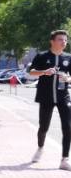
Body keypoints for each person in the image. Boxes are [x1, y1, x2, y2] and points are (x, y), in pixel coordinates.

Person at [28, 30, 71, 170]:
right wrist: (44, 72)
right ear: (52, 41)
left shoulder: (68, 57)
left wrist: (68, 78)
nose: (64, 42)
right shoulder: (42, 56)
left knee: (68, 127)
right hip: (46, 96)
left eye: (65, 40)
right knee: (43, 127)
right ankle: (40, 148)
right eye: (60, 39)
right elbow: (30, 72)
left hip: (63, 96)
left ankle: (65, 159)